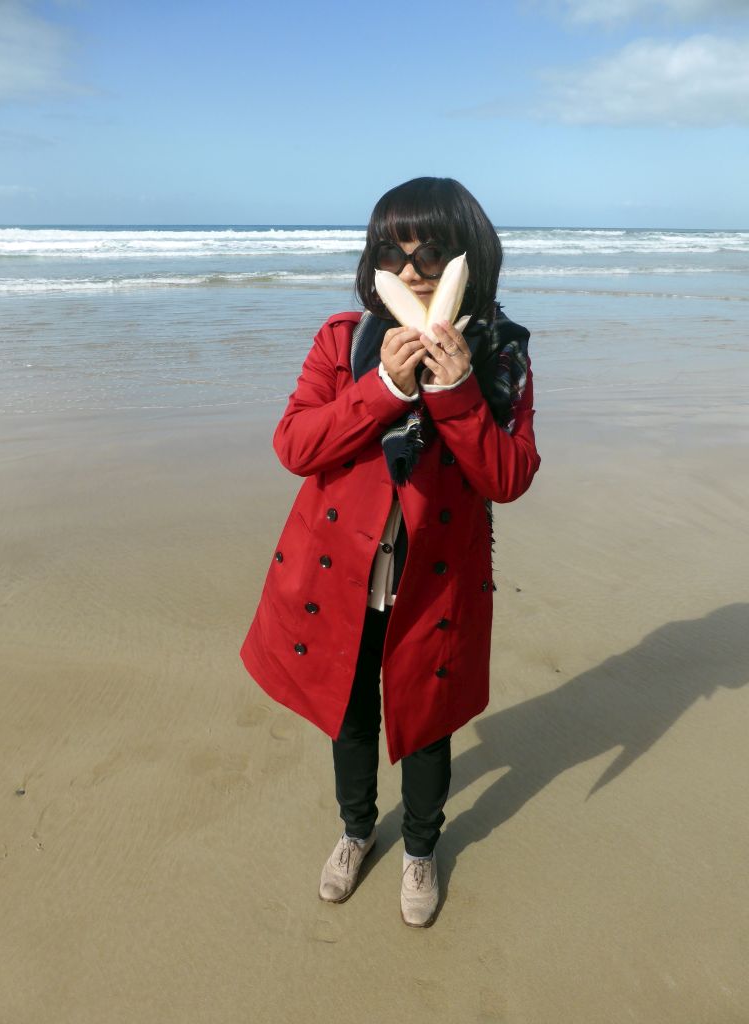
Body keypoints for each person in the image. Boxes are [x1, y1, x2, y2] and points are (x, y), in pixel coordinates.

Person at [240, 176, 541, 927]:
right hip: (339, 571)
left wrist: (457, 392)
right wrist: (380, 387)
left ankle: (418, 847)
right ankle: (353, 831)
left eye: (431, 253)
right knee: (349, 711)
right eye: (392, 252)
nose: (410, 273)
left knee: (428, 717)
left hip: (434, 581)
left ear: (470, 257)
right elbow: (294, 444)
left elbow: (507, 478)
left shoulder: (503, 355)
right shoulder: (342, 339)